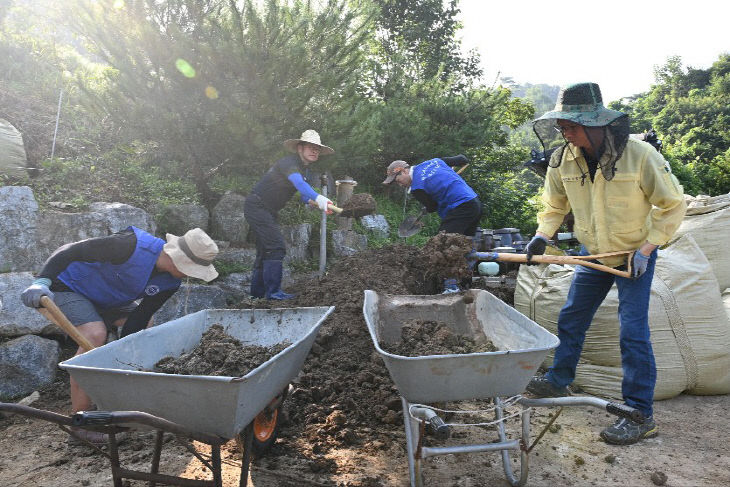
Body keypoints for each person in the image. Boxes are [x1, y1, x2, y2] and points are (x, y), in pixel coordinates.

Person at [524, 82, 687, 445]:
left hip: (634, 255)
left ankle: (639, 414)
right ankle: (558, 379)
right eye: (561, 126)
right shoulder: (563, 159)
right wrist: (542, 234)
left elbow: (673, 204)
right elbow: (554, 205)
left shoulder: (640, 155)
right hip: (592, 253)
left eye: (571, 125)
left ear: (596, 124)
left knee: (632, 333)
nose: (564, 132)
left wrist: (647, 249)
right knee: (571, 317)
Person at [20, 226, 219, 445]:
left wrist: (125, 360)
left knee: (146, 328)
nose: (193, 275)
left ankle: (106, 396)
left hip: (106, 299)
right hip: (67, 287)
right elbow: (70, 250)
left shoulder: (170, 283)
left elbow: (139, 318)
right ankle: (80, 425)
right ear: (181, 261)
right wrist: (43, 280)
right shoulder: (129, 245)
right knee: (94, 334)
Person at [244, 129, 334, 299]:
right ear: (300, 147)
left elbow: (301, 195)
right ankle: (273, 293)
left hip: (267, 210)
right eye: (311, 147)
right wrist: (318, 196)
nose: (315, 151)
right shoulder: (289, 163)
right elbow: (298, 183)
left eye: (317, 148)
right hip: (257, 206)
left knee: (265, 251)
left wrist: (317, 203)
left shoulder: (303, 169)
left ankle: (257, 295)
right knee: (276, 247)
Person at [382, 154, 482, 293]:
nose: (399, 184)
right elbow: (461, 159)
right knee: (467, 244)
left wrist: (427, 207)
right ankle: (465, 284)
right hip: (474, 204)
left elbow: (433, 206)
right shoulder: (434, 162)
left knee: (444, 245)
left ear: (404, 171)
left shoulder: (417, 187)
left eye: (397, 180)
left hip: (459, 207)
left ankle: (451, 287)